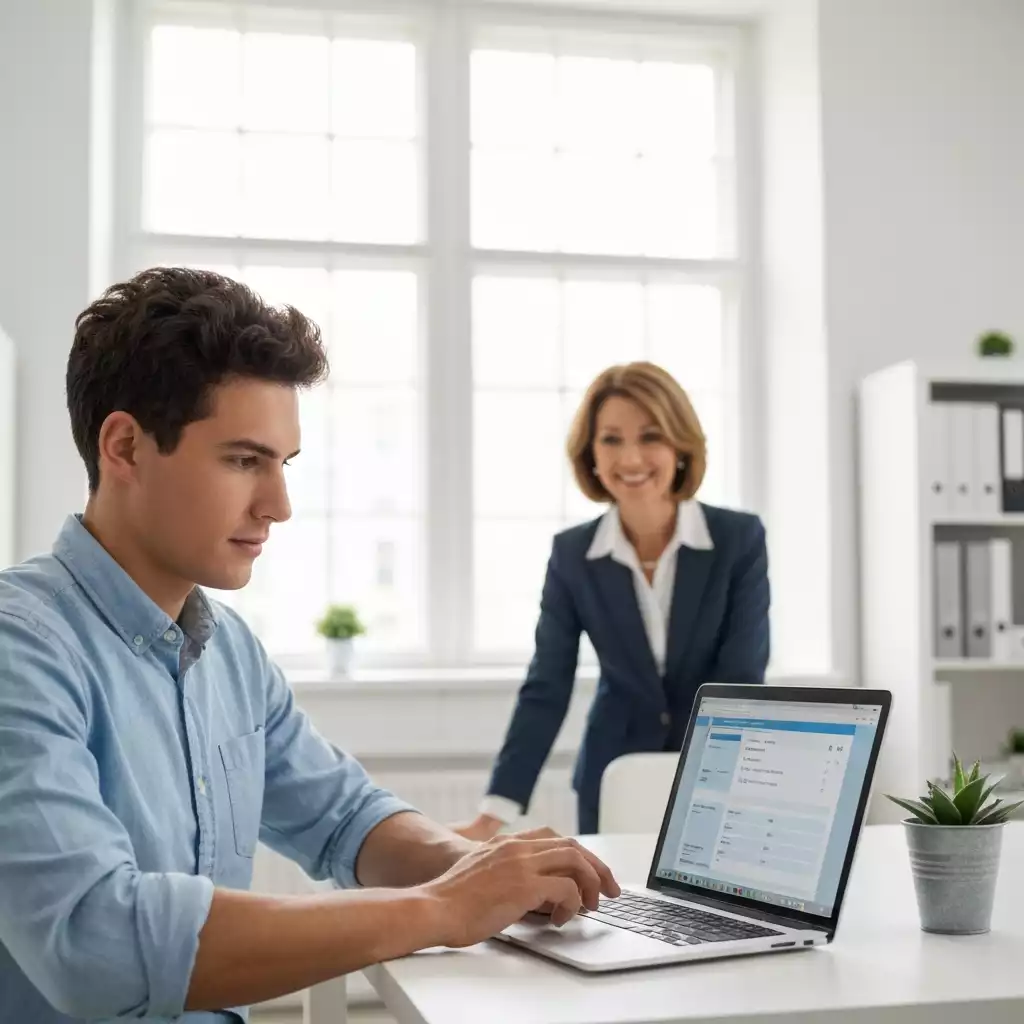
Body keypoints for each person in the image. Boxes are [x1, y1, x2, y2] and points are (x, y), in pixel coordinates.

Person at [0, 267, 618, 1024]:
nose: (279, 505)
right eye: (242, 460)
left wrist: (484, 870)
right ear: (125, 447)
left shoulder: (228, 651)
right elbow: (95, 943)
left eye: (283, 465)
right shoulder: (21, 649)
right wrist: (440, 909)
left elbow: (346, 818)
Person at [455, 361, 769, 840]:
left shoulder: (737, 540)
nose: (631, 457)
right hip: (612, 779)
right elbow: (547, 685)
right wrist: (493, 814)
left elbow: (742, 677)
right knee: (616, 914)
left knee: (706, 916)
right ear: (591, 454)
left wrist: (714, 788)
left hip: (716, 779)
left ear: (680, 445)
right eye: (611, 439)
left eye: (650, 436)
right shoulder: (573, 554)